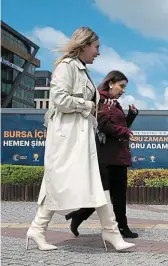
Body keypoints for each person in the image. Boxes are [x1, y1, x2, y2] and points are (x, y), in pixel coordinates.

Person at [25, 27, 135, 251]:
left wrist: (99, 107)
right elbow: (59, 99)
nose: (98, 53)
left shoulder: (82, 70)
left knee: (93, 183)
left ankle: (110, 232)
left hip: (80, 136)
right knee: (60, 182)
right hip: (68, 137)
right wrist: (89, 105)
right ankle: (39, 229)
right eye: (96, 47)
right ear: (84, 45)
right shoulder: (66, 66)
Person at [64, 70, 139, 238]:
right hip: (109, 155)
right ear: (111, 82)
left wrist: (131, 116)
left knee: (107, 194)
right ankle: (121, 227)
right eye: (121, 86)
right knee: (113, 194)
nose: (123, 90)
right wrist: (126, 133)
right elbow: (104, 125)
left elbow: (118, 126)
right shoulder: (103, 101)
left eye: (124, 87)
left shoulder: (112, 102)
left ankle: (79, 216)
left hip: (115, 154)